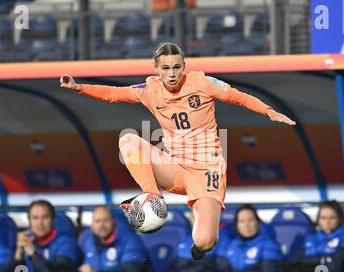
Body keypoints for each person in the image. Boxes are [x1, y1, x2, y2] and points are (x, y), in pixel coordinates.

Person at [60, 42, 296, 260]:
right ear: (156, 68)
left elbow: (238, 97)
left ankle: (199, 245)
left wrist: (269, 111)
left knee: (205, 240)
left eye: (176, 67)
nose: (172, 74)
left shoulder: (202, 82)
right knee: (129, 140)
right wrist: (79, 87)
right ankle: (153, 197)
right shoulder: (149, 89)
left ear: (184, 67)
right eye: (165, 68)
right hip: (176, 168)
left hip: (207, 171)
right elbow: (114, 94)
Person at [2, 200, 80, 272]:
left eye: (45, 217)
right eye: (35, 218)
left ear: (52, 219)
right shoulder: (27, 239)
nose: (40, 223)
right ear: (29, 221)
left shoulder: (66, 242)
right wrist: (18, 254)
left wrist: (33, 254)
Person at [77, 206, 148, 272]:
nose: (101, 225)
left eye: (105, 220)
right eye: (97, 221)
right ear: (92, 225)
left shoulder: (130, 240)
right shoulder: (88, 242)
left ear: (114, 222)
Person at [216, 205, 283, 272]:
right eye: (242, 221)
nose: (246, 225)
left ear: (258, 223)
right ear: (237, 226)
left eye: (251, 220)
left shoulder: (269, 245)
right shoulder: (230, 245)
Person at [295, 200, 344, 272]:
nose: (327, 221)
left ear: (340, 219)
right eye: (323, 218)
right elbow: (297, 261)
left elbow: (337, 268)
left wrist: (312, 263)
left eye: (332, 218)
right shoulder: (311, 239)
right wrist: (324, 260)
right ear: (318, 220)